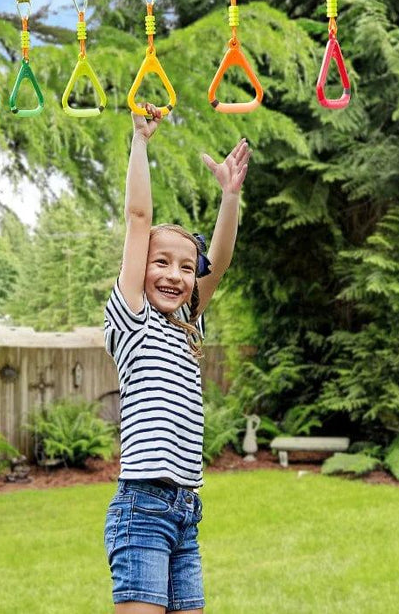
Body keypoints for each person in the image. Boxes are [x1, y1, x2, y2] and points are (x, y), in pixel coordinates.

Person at [103, 103, 251, 613]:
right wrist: (140, 142)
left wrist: (230, 195)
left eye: (186, 267)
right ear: (138, 268)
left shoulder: (188, 326)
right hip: (142, 508)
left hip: (186, 510)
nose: (174, 274)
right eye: (160, 261)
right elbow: (138, 217)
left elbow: (222, 259)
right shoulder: (133, 319)